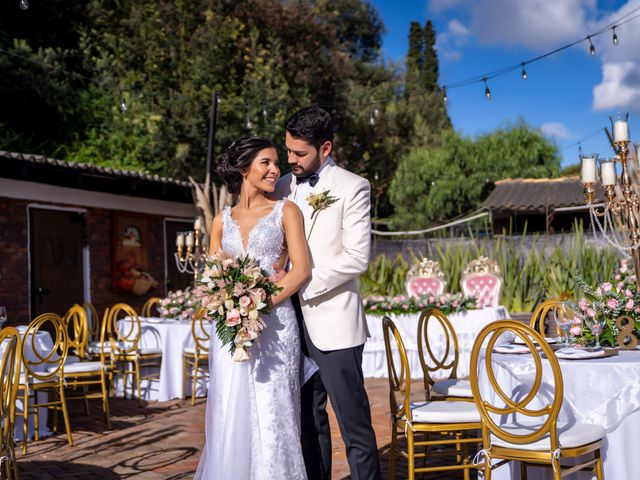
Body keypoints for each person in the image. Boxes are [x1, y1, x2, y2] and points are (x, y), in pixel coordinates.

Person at [273, 105, 381, 480]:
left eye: (299, 154)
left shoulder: (354, 186)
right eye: (288, 151)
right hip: (287, 323)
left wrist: (300, 281)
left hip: (333, 320)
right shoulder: (283, 185)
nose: (291, 161)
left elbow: (356, 259)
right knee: (306, 421)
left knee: (354, 424)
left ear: (326, 148)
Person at [194, 136, 311, 480]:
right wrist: (232, 308)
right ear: (244, 168)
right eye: (267, 163)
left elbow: (301, 270)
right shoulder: (221, 220)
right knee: (231, 409)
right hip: (230, 329)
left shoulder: (286, 211)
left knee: (275, 411)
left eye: (277, 163)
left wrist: (258, 306)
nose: (276, 170)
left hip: (275, 326)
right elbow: (212, 274)